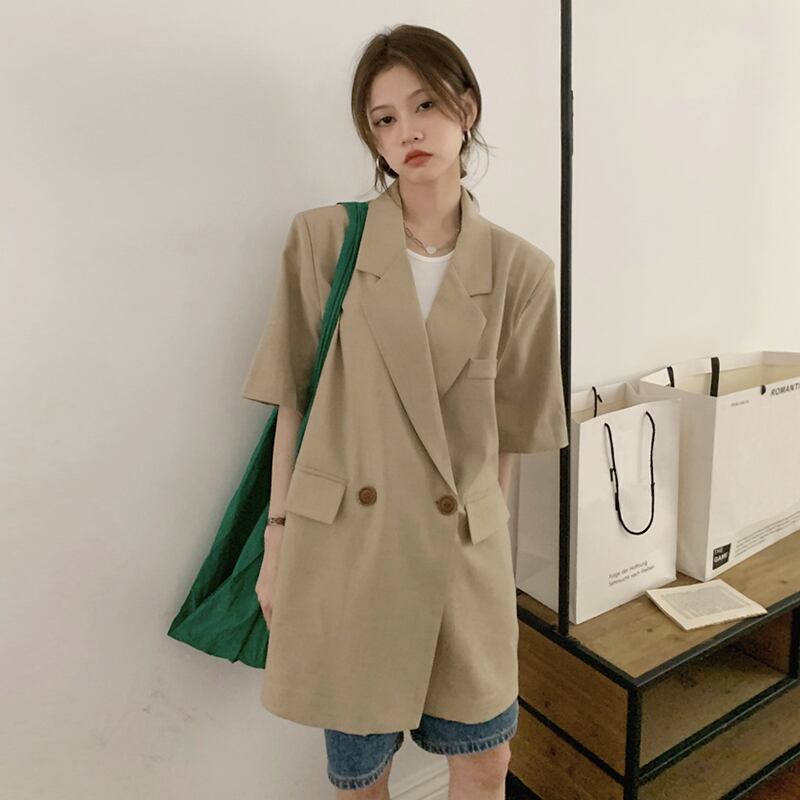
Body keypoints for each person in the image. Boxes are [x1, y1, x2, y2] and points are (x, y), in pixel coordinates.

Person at [242, 23, 568, 800]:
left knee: (486, 762)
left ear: (466, 107)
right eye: (384, 118)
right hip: (347, 551)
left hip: (461, 556)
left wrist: (491, 551)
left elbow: (511, 437)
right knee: (362, 778)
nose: (407, 132)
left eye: (425, 105)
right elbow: (293, 399)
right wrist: (277, 541)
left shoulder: (522, 270)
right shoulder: (325, 241)